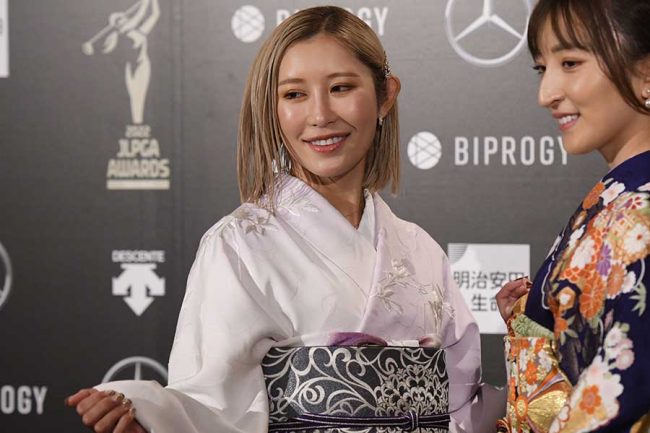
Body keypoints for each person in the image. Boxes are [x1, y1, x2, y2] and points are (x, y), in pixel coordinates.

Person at [67, 6, 504, 433]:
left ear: (385, 96)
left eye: (341, 88)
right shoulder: (237, 245)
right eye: (294, 95)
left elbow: (464, 409)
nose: (320, 115)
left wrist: (529, 335)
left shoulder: (422, 251)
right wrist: (148, 414)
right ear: (271, 110)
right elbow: (209, 408)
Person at [495, 1, 650, 432]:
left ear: (646, 71)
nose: (546, 94)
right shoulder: (617, 202)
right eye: (542, 68)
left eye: (570, 63)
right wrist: (534, 316)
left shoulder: (638, 216)